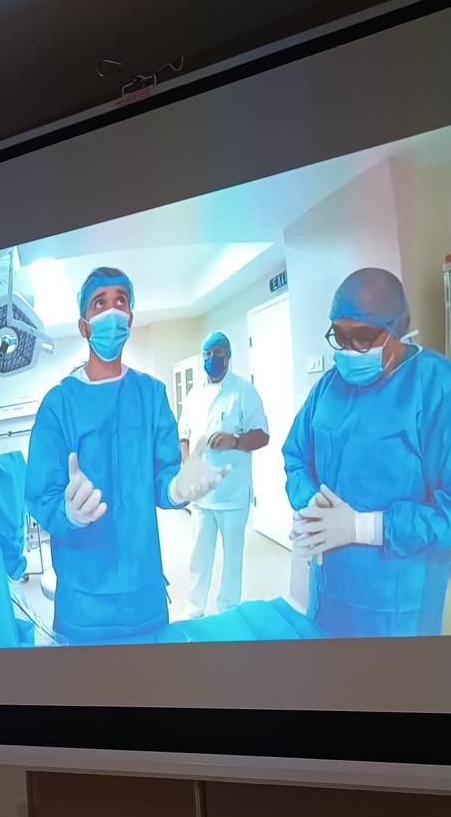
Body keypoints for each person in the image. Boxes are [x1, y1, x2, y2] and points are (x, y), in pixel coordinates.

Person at [283, 268, 451, 637]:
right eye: (340, 336)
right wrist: (310, 505)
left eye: (363, 337)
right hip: (327, 589)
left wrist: (366, 527)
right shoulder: (328, 387)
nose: (349, 349)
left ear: (397, 327)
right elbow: (295, 457)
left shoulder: (443, 389)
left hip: (398, 605)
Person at [25, 266, 228, 643]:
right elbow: (41, 494)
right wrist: (67, 512)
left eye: (120, 301)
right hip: (83, 599)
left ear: (130, 319)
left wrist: (177, 488)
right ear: (84, 326)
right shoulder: (59, 404)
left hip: (143, 592)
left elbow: (163, 478)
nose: (112, 311)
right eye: (99, 303)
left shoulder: (151, 394)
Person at [178, 331, 269, 617]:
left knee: (233, 558)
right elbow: (183, 434)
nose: (211, 359)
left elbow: (263, 435)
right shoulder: (194, 394)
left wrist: (235, 441)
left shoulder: (243, 391)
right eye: (206, 354)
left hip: (232, 494)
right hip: (202, 493)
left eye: (217, 353)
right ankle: (194, 610)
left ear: (228, 356)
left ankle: (229, 610)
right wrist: (188, 464)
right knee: (199, 558)